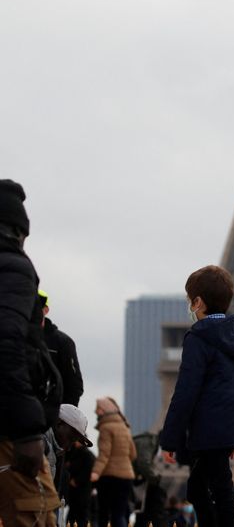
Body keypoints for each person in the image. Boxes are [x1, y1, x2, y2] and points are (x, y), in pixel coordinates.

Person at [160, 265, 234, 527]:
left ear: (198, 302)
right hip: (230, 428)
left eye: (189, 300)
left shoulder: (199, 337)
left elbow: (186, 390)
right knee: (203, 489)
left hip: (207, 429)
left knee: (219, 491)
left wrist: (170, 439)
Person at [0, 179, 63, 526]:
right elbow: (7, 345)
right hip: (9, 428)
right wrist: (27, 430)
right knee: (35, 513)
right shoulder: (14, 267)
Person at [91, 396, 136, 527]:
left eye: (98, 409)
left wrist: (95, 472)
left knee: (103, 513)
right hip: (127, 477)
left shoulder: (106, 428)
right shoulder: (125, 427)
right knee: (119, 513)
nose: (95, 412)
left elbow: (104, 454)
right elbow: (133, 454)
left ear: (104, 410)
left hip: (109, 477)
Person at [38, 291, 84, 407]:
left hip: (49, 418)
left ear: (46, 310)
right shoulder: (14, 338)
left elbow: (74, 386)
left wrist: (60, 419)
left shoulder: (63, 342)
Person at [66, 440, 96, 527]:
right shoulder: (75, 453)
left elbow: (88, 472)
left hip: (83, 490)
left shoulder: (86, 455)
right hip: (75, 491)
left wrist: (76, 481)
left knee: (81, 515)